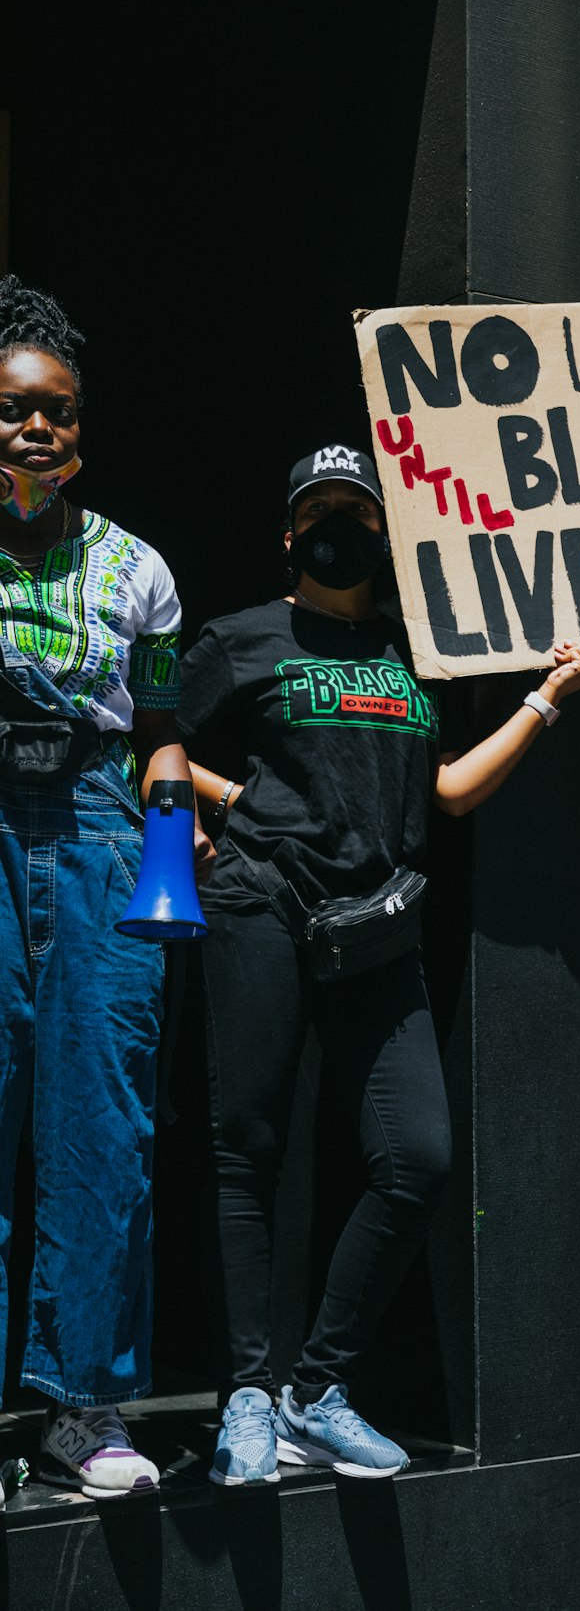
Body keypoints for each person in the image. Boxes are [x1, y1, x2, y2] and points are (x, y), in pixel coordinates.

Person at [178, 444, 580, 1486]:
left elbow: (454, 792)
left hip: (377, 926)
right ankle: (248, 1394)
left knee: (417, 1157)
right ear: (289, 534)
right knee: (247, 1150)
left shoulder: (414, 655)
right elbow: (148, 740)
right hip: (259, 908)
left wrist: (548, 695)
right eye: (319, 513)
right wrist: (226, 801)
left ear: (387, 535)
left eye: (359, 512)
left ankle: (317, 1389)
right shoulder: (237, 641)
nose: (339, 527)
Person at [0, 275, 210, 1499]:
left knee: (103, 1129)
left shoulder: (141, 569)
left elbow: (165, 723)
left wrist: (170, 787)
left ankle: (87, 1412)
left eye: (60, 414)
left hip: (97, 833)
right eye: (17, 410)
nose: (39, 431)